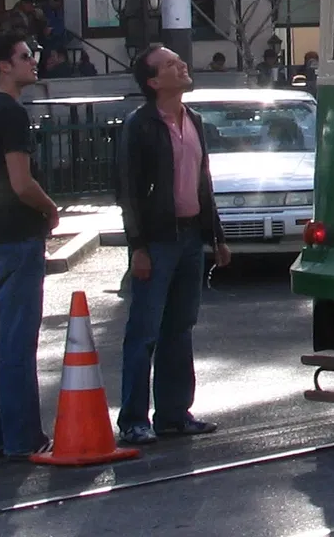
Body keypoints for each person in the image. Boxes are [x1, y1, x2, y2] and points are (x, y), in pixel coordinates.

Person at [116, 44, 230, 445]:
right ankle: (133, 418)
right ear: (153, 81)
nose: (181, 66)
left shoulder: (193, 119)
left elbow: (203, 181)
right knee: (144, 330)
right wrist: (138, 247)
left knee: (180, 328)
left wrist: (216, 236)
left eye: (178, 61)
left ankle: (174, 414)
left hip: (189, 238)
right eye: (169, 65)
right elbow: (128, 191)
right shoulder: (141, 124)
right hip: (158, 241)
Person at [0, 33, 59, 460]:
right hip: (19, 235)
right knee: (17, 343)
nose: (32, 61)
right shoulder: (12, 115)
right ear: (4, 65)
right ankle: (23, 437)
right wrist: (51, 210)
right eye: (24, 56)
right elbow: (21, 182)